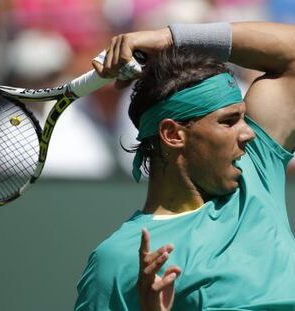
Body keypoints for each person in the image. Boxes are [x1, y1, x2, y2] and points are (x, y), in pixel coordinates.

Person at [74, 22, 295, 310]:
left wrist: (170, 38)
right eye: (228, 121)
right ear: (173, 134)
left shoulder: (256, 166)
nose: (248, 133)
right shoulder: (117, 261)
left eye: (242, 118)